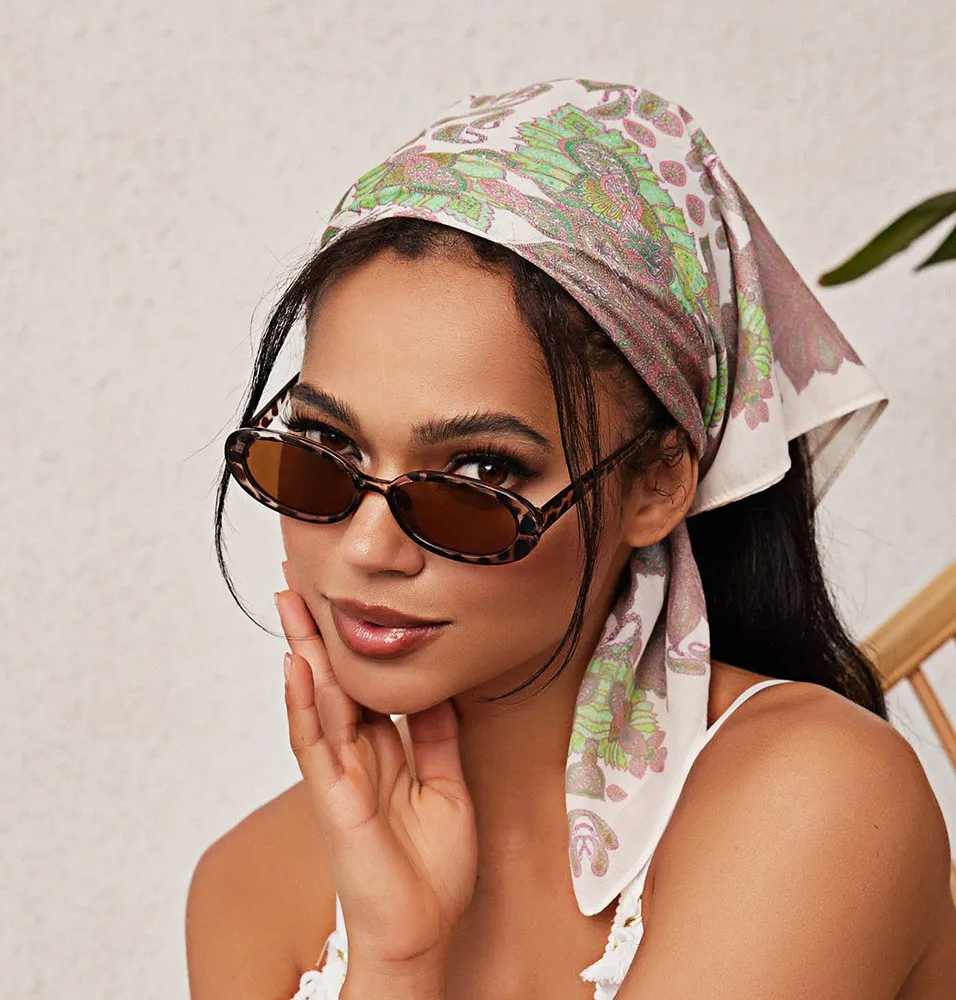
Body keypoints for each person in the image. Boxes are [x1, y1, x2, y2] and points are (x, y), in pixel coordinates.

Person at [185, 80, 956, 999]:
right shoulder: (247, 888)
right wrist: (394, 955)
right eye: (326, 450)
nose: (366, 547)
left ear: (657, 482)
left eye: (479, 474)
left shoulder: (817, 797)